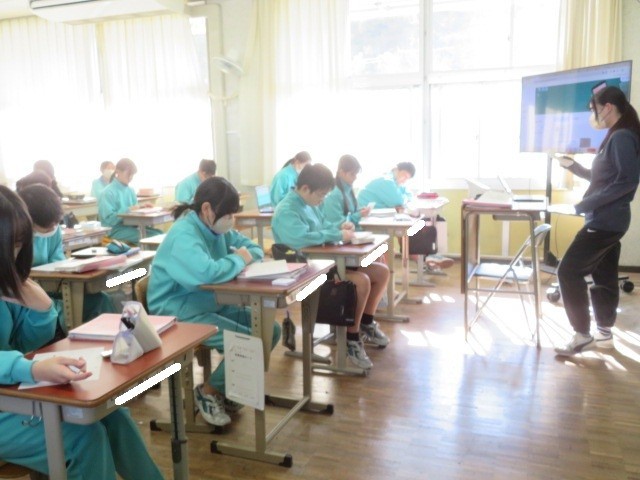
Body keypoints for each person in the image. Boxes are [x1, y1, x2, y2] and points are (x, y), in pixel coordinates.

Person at [0, 185, 164, 479]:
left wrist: (41, 308)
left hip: (10, 393)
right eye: (11, 244)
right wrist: (28, 368)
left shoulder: (5, 283)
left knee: (112, 414)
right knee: (84, 438)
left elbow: (26, 343)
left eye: (20, 243)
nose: (16, 254)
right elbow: (21, 359)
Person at [148, 177, 280, 427]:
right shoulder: (184, 235)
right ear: (207, 209)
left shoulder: (217, 230)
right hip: (177, 310)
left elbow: (252, 249)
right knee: (250, 341)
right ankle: (208, 391)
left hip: (210, 301)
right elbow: (206, 274)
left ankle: (224, 388)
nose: (231, 220)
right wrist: (239, 260)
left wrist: (241, 257)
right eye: (228, 214)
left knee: (270, 329)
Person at [271, 164, 390, 369]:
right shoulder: (287, 210)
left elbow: (324, 224)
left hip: (325, 264)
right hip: (306, 272)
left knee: (381, 272)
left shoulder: (310, 204)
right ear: (305, 188)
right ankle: (352, 338)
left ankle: (366, 322)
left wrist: (340, 226)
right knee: (361, 281)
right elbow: (300, 239)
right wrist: (336, 234)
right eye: (321, 194)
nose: (323, 199)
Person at [554, 86, 640, 356]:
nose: (593, 114)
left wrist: (583, 205)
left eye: (594, 108)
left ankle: (582, 335)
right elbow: (603, 179)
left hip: (605, 221)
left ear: (608, 107)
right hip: (610, 220)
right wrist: (573, 167)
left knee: (568, 272)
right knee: (604, 274)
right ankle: (604, 333)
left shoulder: (622, 137)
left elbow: (626, 182)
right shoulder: (618, 134)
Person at [19, 184, 116, 323]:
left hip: (54, 285)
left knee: (101, 299)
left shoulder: (54, 230)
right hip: (31, 292)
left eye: (56, 223)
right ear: (29, 220)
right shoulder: (17, 237)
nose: (53, 228)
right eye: (47, 226)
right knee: (65, 309)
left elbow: (59, 261)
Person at [357, 162, 452, 270]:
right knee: (398, 239)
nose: (404, 180)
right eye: (404, 175)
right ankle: (424, 260)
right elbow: (399, 201)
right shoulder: (387, 181)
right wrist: (402, 199)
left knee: (406, 232)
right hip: (367, 219)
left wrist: (402, 198)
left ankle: (423, 259)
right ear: (396, 169)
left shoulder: (395, 182)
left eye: (407, 178)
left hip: (379, 216)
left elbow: (409, 196)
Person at [98, 158, 162, 245]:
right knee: (151, 237)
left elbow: (134, 212)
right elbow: (110, 220)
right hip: (115, 230)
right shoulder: (107, 192)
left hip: (131, 227)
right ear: (117, 172)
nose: (131, 177)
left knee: (160, 234)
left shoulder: (130, 190)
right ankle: (147, 254)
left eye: (132, 175)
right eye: (129, 174)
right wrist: (128, 209)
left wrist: (142, 207)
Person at [322, 154, 373, 231]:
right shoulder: (334, 194)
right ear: (341, 172)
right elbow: (338, 224)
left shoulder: (348, 189)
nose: (355, 177)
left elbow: (350, 213)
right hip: (342, 234)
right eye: (352, 174)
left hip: (353, 231)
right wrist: (359, 215)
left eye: (356, 174)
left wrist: (360, 211)